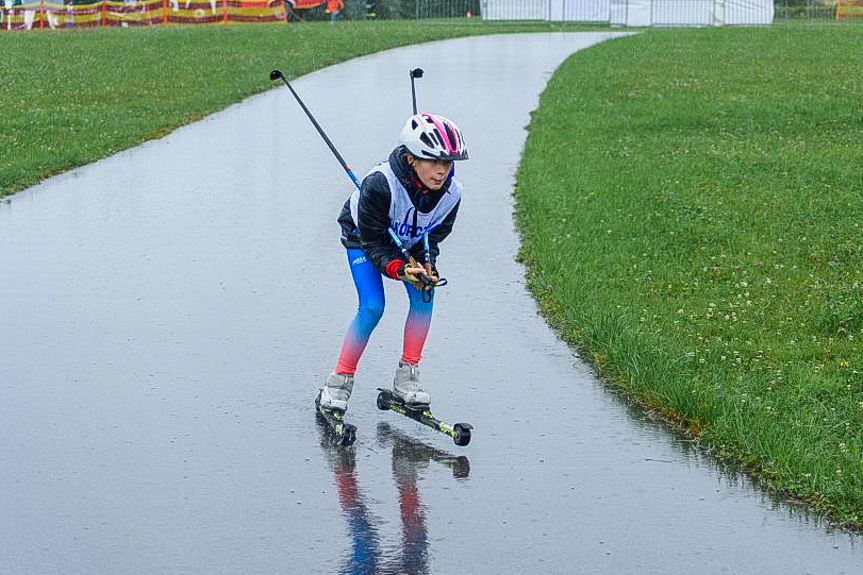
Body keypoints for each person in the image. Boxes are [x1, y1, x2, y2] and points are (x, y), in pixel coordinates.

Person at [319, 113, 469, 413]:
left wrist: (427, 264)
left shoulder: (453, 194)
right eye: (433, 162)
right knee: (373, 306)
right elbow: (374, 243)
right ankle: (338, 382)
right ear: (412, 158)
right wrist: (399, 268)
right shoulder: (379, 185)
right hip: (362, 235)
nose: (441, 172)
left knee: (426, 291)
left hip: (407, 241)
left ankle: (407, 380)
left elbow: (433, 236)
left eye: (447, 163)